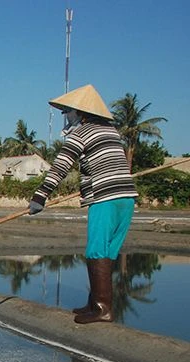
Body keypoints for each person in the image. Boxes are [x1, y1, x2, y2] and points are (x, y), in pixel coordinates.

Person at [28, 85, 138, 324]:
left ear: (79, 113)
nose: (66, 117)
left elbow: (61, 165)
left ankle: (102, 309)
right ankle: (95, 303)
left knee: (97, 250)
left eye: (67, 112)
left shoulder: (81, 134)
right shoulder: (111, 131)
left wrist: (40, 196)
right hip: (126, 198)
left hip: (105, 199)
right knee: (109, 252)